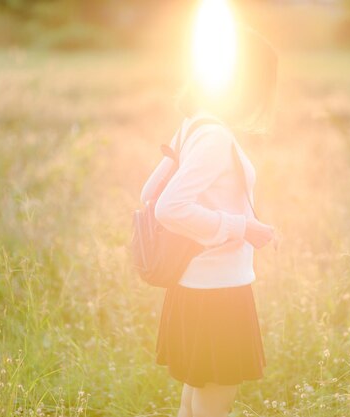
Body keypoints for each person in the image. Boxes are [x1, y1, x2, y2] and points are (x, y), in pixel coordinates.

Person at [139, 27, 278, 417]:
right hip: (219, 293)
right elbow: (168, 206)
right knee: (214, 406)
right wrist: (241, 227)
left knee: (194, 403)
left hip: (192, 286)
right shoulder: (215, 136)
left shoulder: (195, 124)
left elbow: (149, 195)